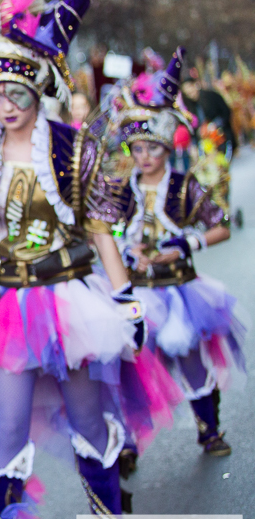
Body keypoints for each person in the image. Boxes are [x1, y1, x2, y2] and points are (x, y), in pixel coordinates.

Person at [0, 2, 171, 519]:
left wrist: (125, 301)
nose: (5, 105)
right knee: (4, 430)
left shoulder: (72, 149)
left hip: (71, 304)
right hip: (12, 305)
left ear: (38, 86)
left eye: (16, 91)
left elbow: (100, 232)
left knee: (89, 423)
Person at [110, 48, 246, 457]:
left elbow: (221, 225)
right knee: (131, 366)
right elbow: (104, 230)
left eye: (153, 149)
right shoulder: (121, 190)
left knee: (190, 360)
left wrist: (187, 243)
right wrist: (124, 247)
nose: (145, 157)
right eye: (138, 149)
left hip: (180, 290)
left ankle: (209, 430)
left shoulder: (185, 186)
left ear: (167, 149)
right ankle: (130, 442)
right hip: (136, 293)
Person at [181, 76, 236, 159]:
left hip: (221, 137)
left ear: (196, 85)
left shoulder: (211, 96)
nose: (189, 92)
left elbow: (226, 112)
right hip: (206, 144)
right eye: (187, 92)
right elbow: (193, 127)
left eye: (190, 88)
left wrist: (216, 124)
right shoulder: (190, 106)